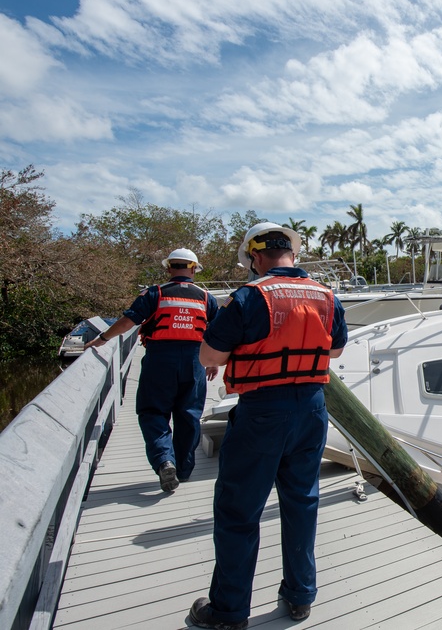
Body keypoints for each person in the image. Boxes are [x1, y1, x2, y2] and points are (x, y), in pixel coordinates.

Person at [189, 223, 347, 630]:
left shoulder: (247, 296)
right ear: (292, 254)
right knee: (302, 502)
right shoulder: (327, 296)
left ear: (256, 257)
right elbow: (336, 348)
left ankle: (228, 611)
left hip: (261, 411)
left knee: (239, 511)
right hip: (312, 410)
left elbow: (210, 356)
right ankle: (299, 596)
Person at [85, 248, 219, 492]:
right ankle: (184, 470)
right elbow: (215, 332)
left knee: (153, 412)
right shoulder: (206, 297)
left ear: (169, 268)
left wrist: (103, 338)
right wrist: (211, 362)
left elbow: (129, 321)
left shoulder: (154, 293)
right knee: (188, 416)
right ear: (193, 269)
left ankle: (164, 460)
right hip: (195, 362)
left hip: (160, 359)